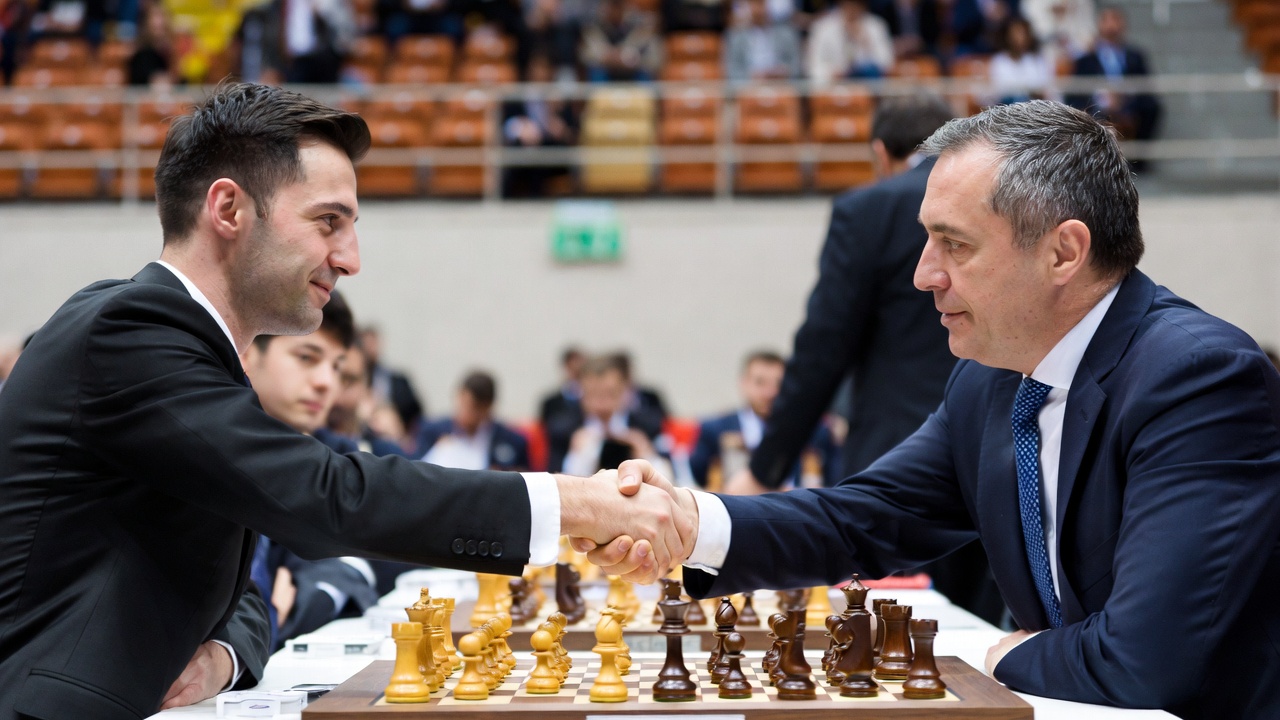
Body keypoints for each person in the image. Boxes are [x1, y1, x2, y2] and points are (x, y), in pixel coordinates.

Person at [0, 82, 689, 720]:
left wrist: (224, 658)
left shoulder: (178, 348)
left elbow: (245, 584)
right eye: (328, 221)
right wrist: (575, 503)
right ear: (229, 209)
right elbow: (323, 496)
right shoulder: (130, 330)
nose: (350, 258)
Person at [598, 100, 1280, 720]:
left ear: (1063, 252)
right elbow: (861, 519)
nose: (925, 274)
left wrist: (1008, 654)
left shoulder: (1197, 380)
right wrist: (687, 522)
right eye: (927, 240)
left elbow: (1143, 661)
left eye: (955, 244)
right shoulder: (989, 381)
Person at [726, 93, 1004, 626]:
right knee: (980, 637)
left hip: (897, 454)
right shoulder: (999, 199)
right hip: (995, 447)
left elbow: (824, 346)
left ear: (880, 152)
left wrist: (766, 468)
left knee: (886, 641)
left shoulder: (869, 208)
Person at [240, 290, 385, 651]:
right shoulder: (205, 448)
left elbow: (360, 564)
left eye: (337, 367)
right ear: (247, 353)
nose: (326, 382)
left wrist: (296, 605)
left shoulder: (339, 455)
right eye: (307, 357)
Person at [688, 350, 838, 489]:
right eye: (760, 382)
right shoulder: (715, 430)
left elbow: (835, 479)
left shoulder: (815, 430)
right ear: (744, 383)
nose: (770, 392)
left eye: (778, 384)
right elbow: (698, 475)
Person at [551, 354, 668, 477]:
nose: (602, 405)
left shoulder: (648, 425)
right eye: (593, 395)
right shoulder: (563, 430)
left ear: (625, 391)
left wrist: (647, 454)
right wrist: (577, 457)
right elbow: (551, 480)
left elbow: (672, 480)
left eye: (610, 394)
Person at [1067, 6, 1160, 153]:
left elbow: (1144, 86)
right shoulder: (1085, 60)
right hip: (1098, 106)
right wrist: (1103, 98)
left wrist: (1124, 98)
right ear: (1099, 24)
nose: (1111, 26)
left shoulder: (1135, 56)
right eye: (1107, 20)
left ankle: (1139, 157)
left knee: (1151, 107)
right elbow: (1076, 92)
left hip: (1129, 105)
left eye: (1115, 20)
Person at [415, 369, 531, 471]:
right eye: (463, 405)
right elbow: (416, 469)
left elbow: (526, 477)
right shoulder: (432, 432)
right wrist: (438, 451)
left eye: (474, 409)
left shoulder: (512, 441)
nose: (465, 413)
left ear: (488, 407)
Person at [806, 0, 894, 84]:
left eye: (856, 4)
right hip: (832, 87)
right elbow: (812, 66)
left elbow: (887, 63)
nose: (852, 9)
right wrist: (831, 73)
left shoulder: (876, 26)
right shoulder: (823, 27)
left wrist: (865, 43)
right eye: (848, 4)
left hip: (867, 87)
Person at [580, 0, 662, 83]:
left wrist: (632, 58)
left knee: (645, 73)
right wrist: (606, 57)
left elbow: (655, 60)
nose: (616, 11)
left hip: (635, 70)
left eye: (619, 6)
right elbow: (585, 55)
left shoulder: (642, 27)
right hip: (604, 68)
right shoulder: (593, 26)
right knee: (596, 71)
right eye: (612, 6)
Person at [722, 0, 802, 83]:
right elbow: (731, 70)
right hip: (749, 86)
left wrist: (783, 72)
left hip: (781, 84)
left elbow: (796, 66)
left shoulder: (786, 34)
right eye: (753, 4)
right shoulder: (736, 36)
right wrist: (752, 76)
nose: (758, 10)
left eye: (761, 4)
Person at [988, 16, 1055, 105]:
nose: (1020, 38)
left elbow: (1046, 90)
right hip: (1006, 107)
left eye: (1023, 33)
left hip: (1034, 107)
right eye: (1015, 34)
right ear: (1008, 36)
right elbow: (996, 93)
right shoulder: (999, 61)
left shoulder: (1038, 60)